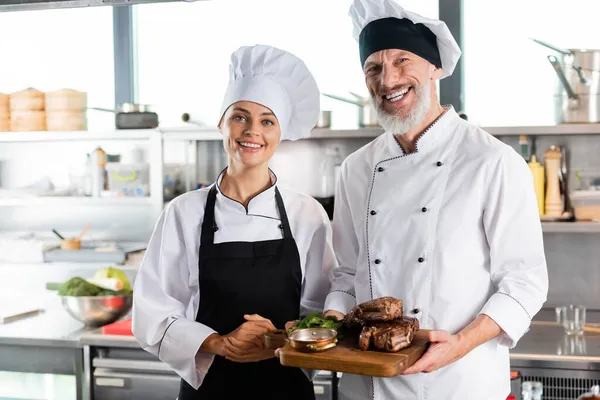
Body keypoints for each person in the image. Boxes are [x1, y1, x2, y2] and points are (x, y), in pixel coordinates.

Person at [322, 0, 549, 398]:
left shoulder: (491, 161)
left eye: (402, 61)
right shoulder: (356, 169)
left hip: (458, 382)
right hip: (367, 383)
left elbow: (524, 283)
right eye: (373, 68)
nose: (387, 79)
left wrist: (460, 344)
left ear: (435, 68)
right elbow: (345, 273)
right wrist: (327, 324)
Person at [132, 44, 336, 400]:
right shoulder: (183, 212)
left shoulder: (308, 214)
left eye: (267, 121)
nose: (252, 131)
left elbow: (323, 311)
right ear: (221, 124)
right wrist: (219, 343)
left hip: (286, 385)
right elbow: (152, 311)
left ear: (279, 133)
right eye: (240, 116)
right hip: (211, 387)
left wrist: (278, 338)